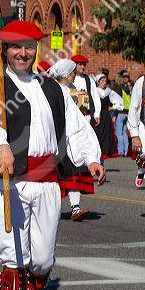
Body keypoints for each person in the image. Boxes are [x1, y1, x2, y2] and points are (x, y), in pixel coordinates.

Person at [0, 21, 105, 290]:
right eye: (15, 46)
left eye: (28, 46)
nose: (22, 52)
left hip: (47, 184)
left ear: (36, 49)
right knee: (15, 255)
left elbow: (76, 127)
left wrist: (91, 158)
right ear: (5, 50)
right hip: (10, 183)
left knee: (42, 261)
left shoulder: (53, 88)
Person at [49, 58, 97, 221]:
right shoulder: (57, 91)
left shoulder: (74, 89)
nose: (75, 75)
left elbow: (85, 108)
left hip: (66, 138)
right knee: (58, 176)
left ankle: (74, 207)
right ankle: (50, 210)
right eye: (73, 73)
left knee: (71, 174)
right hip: (59, 140)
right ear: (68, 75)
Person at [95, 73, 123, 163]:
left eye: (105, 80)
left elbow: (119, 102)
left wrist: (112, 107)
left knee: (106, 136)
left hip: (106, 116)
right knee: (97, 135)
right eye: (102, 80)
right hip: (97, 116)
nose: (104, 82)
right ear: (98, 82)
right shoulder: (95, 91)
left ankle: (104, 154)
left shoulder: (109, 91)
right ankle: (96, 154)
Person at [71, 54, 101, 128]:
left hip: (86, 116)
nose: (83, 67)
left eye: (84, 65)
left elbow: (95, 97)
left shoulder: (89, 80)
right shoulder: (68, 78)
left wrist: (97, 114)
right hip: (72, 116)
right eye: (80, 65)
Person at [127, 75, 145, 187]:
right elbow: (133, 107)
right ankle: (141, 170)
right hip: (143, 122)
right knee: (143, 153)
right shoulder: (141, 82)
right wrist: (134, 135)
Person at [113, 71, 131, 156]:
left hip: (120, 113)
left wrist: (114, 115)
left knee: (119, 133)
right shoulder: (127, 88)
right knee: (124, 133)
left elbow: (117, 103)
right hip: (127, 113)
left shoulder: (118, 89)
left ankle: (120, 151)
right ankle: (126, 151)